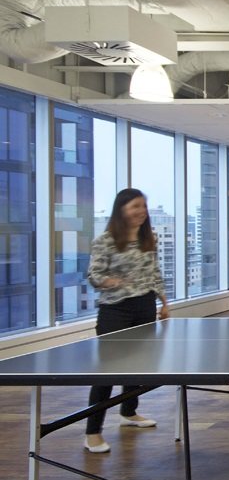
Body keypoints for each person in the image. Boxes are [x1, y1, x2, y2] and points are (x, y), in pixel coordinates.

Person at [84, 188, 169, 453]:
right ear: (122, 209)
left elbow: (154, 272)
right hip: (116, 310)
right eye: (136, 206)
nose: (141, 211)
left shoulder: (149, 238)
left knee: (138, 366)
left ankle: (128, 413)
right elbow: (94, 275)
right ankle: (92, 432)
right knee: (107, 373)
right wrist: (111, 281)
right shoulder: (106, 240)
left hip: (145, 306)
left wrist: (164, 302)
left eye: (144, 206)